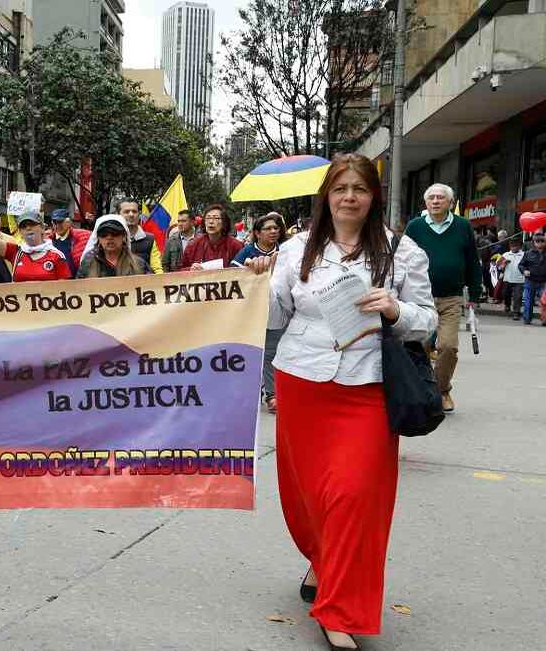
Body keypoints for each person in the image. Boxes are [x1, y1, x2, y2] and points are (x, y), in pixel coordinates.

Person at [245, 153, 436, 651]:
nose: (349, 197)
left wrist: (396, 310)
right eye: (340, 189)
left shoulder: (402, 250)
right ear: (326, 197)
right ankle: (323, 560)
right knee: (308, 497)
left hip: (368, 387)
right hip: (302, 383)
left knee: (355, 496)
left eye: (359, 189)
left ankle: (339, 610)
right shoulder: (295, 250)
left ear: (374, 196)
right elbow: (275, 318)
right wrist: (259, 284)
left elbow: (428, 319)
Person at [404, 183, 482, 413]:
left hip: (451, 298)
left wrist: (475, 293)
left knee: (448, 347)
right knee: (421, 348)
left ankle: (441, 390)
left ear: (450, 202)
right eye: (432, 198)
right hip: (420, 297)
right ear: (426, 203)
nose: (436, 201)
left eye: (441, 197)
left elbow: (472, 261)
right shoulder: (415, 227)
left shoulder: (462, 226)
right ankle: (422, 391)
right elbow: (402, 258)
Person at [232, 212, 287, 414]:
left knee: (272, 353)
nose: (273, 232)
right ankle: (248, 394)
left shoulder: (285, 252)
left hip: (278, 311)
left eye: (276, 228)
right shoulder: (245, 252)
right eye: (268, 228)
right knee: (250, 353)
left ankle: (272, 395)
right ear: (256, 233)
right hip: (250, 312)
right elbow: (234, 278)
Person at [0, 202, 71, 282]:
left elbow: (65, 291)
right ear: (20, 233)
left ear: (42, 228)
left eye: (32, 224)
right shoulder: (16, 252)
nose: (28, 228)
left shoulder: (57, 256)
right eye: (23, 226)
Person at [77, 215, 150, 278]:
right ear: (98, 238)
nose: (109, 237)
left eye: (115, 233)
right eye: (104, 234)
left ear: (124, 236)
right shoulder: (87, 264)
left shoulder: (139, 264)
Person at [182, 205, 244, 270]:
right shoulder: (193, 244)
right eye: (208, 218)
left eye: (216, 218)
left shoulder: (236, 245)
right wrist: (190, 269)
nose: (211, 222)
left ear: (224, 223)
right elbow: (179, 271)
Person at [118, 200, 163, 273]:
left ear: (139, 214)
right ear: (118, 215)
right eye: (126, 212)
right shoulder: (111, 239)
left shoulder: (149, 239)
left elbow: (157, 269)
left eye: (134, 211)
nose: (131, 214)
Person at [49, 209, 90, 277]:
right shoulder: (48, 241)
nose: (58, 226)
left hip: (76, 281)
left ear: (69, 222)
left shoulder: (82, 237)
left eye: (60, 222)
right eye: (55, 222)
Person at [518, 233, 546, 325]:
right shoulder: (528, 253)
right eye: (537, 241)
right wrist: (524, 271)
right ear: (534, 242)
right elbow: (521, 265)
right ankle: (527, 318)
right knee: (528, 302)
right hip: (530, 281)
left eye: (542, 241)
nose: (540, 243)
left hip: (543, 282)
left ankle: (544, 320)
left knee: (544, 302)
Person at [499, 238, 525, 319]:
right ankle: (507, 305)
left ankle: (516, 312)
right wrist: (503, 264)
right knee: (506, 294)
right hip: (508, 278)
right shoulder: (505, 255)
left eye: (516, 246)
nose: (514, 248)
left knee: (518, 296)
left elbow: (527, 265)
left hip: (519, 279)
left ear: (519, 247)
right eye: (512, 246)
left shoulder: (524, 255)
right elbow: (499, 266)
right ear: (510, 247)